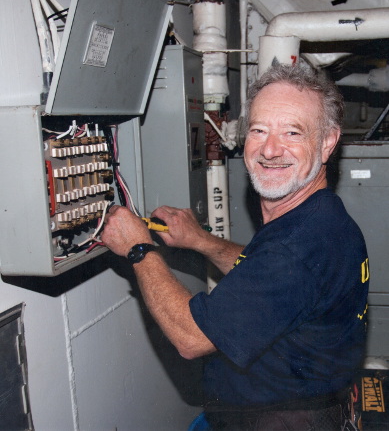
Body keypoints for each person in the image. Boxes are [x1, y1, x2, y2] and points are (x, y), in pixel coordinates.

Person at [101, 63, 369, 430]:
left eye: (293, 132)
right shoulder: (320, 219)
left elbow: (191, 338)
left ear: (327, 143)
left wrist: (137, 248)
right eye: (259, 130)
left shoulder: (297, 248)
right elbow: (263, 278)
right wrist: (200, 241)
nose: (270, 149)